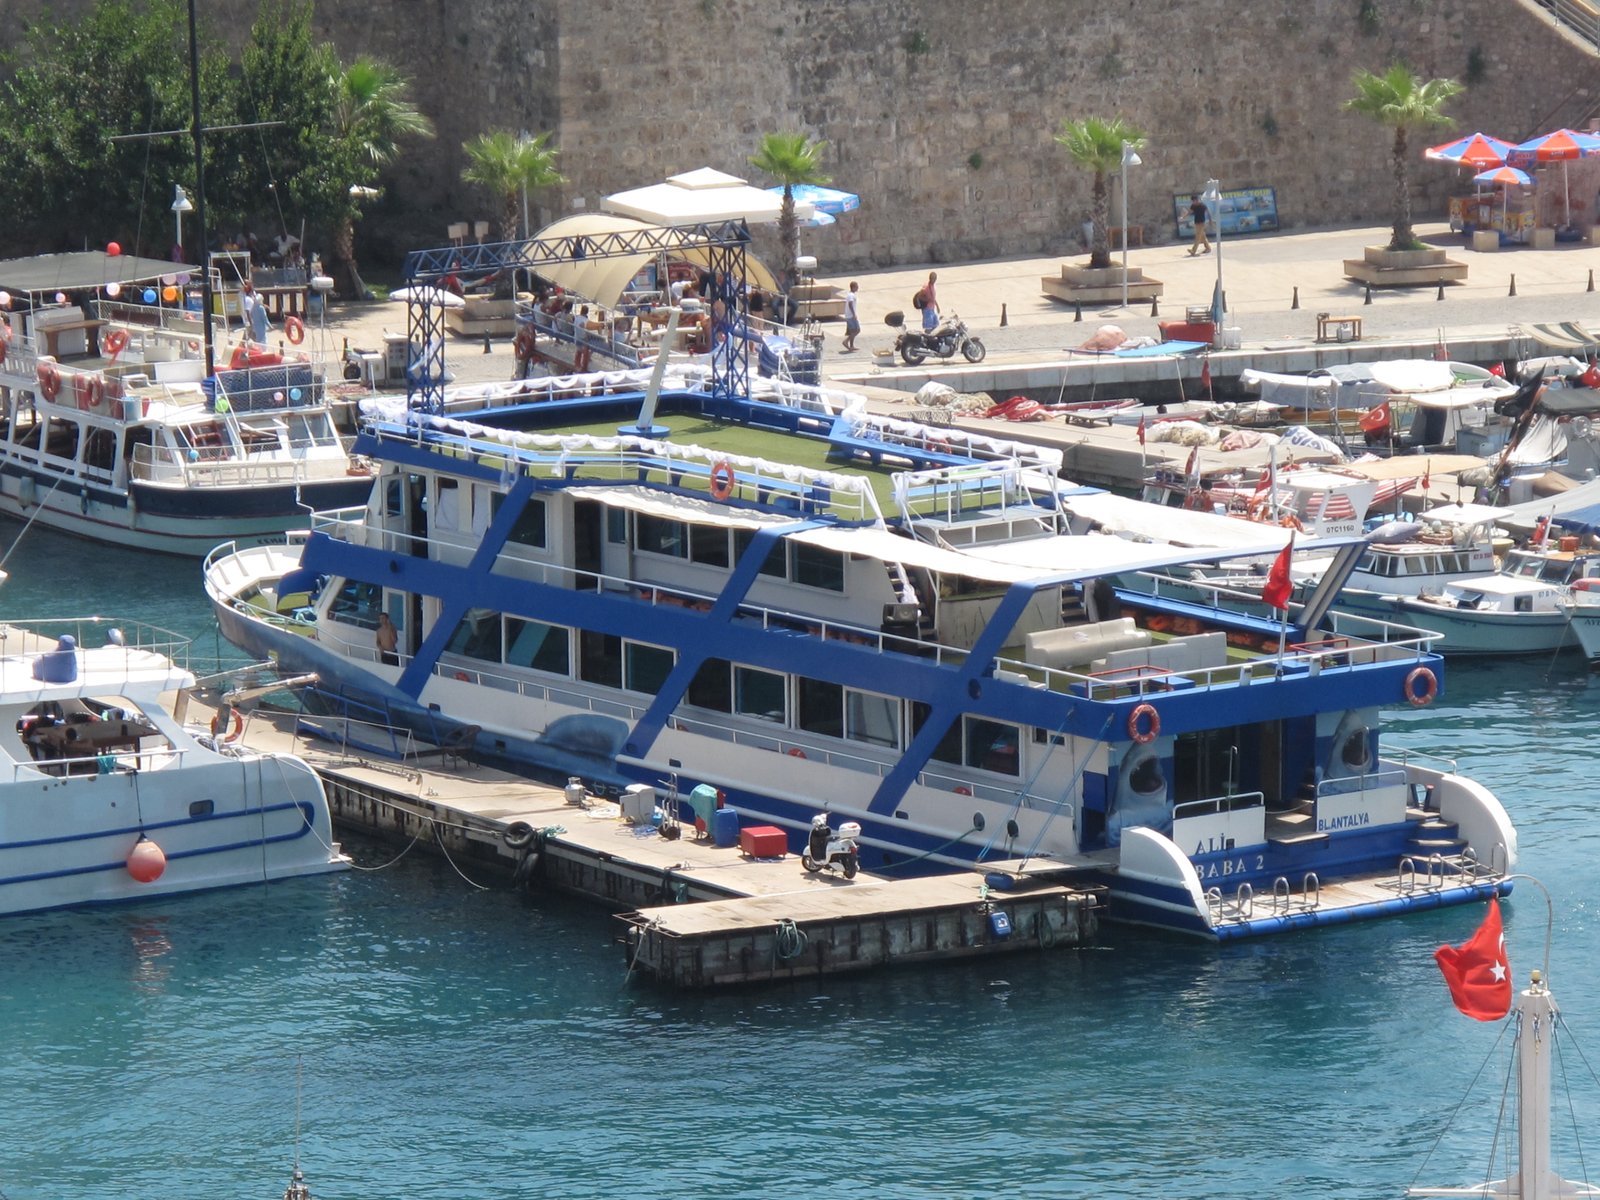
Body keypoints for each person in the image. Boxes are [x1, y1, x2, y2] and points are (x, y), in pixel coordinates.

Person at [842, 280, 861, 351]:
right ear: (853, 287)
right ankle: (846, 341)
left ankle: (851, 346)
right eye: (856, 286)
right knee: (857, 330)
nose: (858, 287)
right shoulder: (851, 295)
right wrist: (854, 314)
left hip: (849, 316)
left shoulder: (851, 295)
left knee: (853, 331)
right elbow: (850, 304)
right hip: (850, 316)